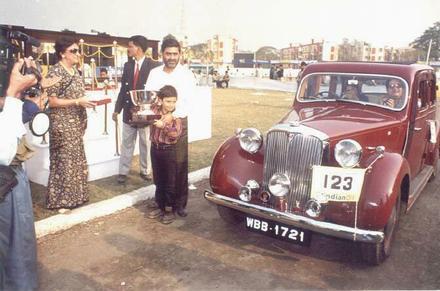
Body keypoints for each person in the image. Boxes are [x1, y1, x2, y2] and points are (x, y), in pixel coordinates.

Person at [0, 57, 54, 290]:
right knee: (16, 251)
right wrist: (13, 95)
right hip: (6, 184)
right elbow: (3, 152)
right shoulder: (12, 103)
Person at [145, 36, 197, 218]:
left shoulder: (187, 74)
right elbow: (150, 98)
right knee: (160, 166)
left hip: (179, 122)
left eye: (175, 54)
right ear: (162, 54)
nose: (172, 57)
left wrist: (171, 116)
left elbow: (189, 102)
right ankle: (162, 203)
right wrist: (157, 117)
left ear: (180, 54)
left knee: (179, 165)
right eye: (168, 53)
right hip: (157, 124)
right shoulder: (155, 73)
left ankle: (179, 204)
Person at [45, 36, 95, 210]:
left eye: (77, 50)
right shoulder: (55, 72)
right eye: (73, 51)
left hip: (76, 124)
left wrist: (84, 102)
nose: (77, 54)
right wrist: (76, 102)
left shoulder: (76, 71)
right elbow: (51, 101)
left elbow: (79, 96)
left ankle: (77, 197)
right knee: (64, 162)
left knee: (76, 160)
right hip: (62, 124)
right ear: (62, 54)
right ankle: (61, 201)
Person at [113, 35, 157, 184]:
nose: (128, 49)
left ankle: (145, 171)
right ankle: (123, 172)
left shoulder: (153, 66)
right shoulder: (128, 65)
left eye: (130, 46)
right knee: (126, 143)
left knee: (145, 143)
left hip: (145, 114)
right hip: (128, 112)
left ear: (138, 48)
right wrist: (117, 109)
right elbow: (123, 90)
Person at [148, 85, 183, 224]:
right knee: (158, 179)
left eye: (174, 101)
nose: (171, 104)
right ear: (161, 100)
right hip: (155, 148)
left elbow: (175, 135)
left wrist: (164, 127)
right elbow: (143, 110)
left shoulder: (176, 117)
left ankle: (169, 209)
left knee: (170, 181)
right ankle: (159, 205)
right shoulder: (154, 110)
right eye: (168, 101)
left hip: (169, 150)